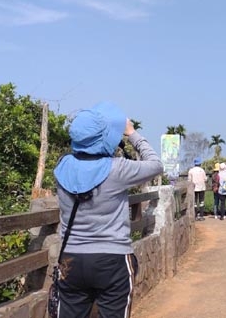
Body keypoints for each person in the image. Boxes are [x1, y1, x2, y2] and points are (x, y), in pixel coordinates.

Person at [53, 101, 164, 318]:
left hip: (71, 259)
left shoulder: (62, 165)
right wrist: (131, 133)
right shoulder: (118, 169)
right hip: (112, 259)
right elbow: (155, 164)